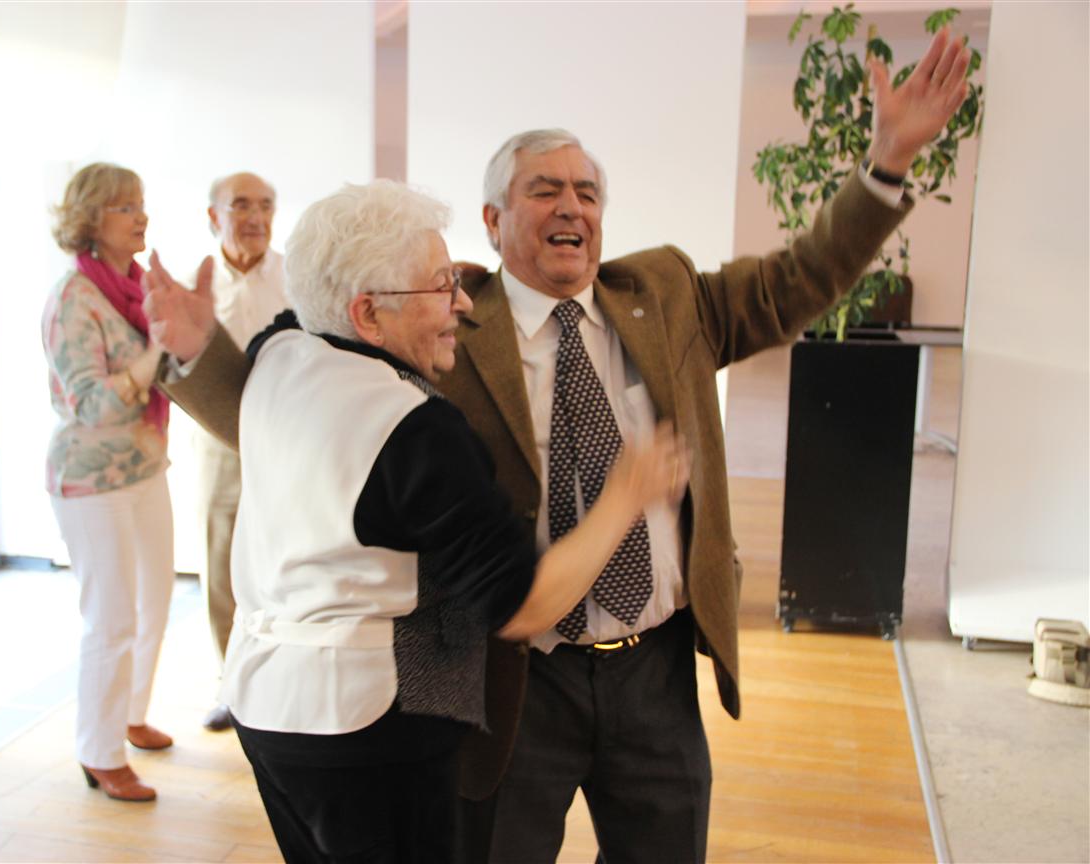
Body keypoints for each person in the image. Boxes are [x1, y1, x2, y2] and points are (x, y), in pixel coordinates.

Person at [144, 26, 970, 862]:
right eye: (545, 190)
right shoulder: (441, 321)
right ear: (494, 219)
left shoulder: (667, 294)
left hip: (656, 668)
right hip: (513, 678)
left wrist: (887, 164)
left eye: (587, 191)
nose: (572, 206)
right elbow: (290, 417)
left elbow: (801, 278)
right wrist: (195, 351)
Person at [145, 179, 688, 862]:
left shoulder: (282, 348)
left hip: (266, 708)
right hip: (367, 729)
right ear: (368, 314)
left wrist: (199, 343)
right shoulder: (419, 431)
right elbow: (523, 605)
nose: (462, 301)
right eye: (440, 285)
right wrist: (625, 496)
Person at [42, 163, 175, 802]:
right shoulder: (74, 298)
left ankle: (130, 713)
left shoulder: (137, 285)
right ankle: (99, 753)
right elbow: (89, 405)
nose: (140, 216)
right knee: (112, 618)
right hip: (92, 481)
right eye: (125, 207)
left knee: (156, 602)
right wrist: (152, 360)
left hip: (145, 466)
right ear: (92, 220)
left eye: (140, 203)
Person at [192, 172, 288, 733]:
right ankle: (230, 685)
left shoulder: (297, 277)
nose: (255, 217)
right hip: (219, 442)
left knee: (285, 559)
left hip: (288, 438)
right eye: (241, 205)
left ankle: (279, 677)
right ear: (214, 217)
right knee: (222, 561)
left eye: (266, 205)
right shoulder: (197, 288)